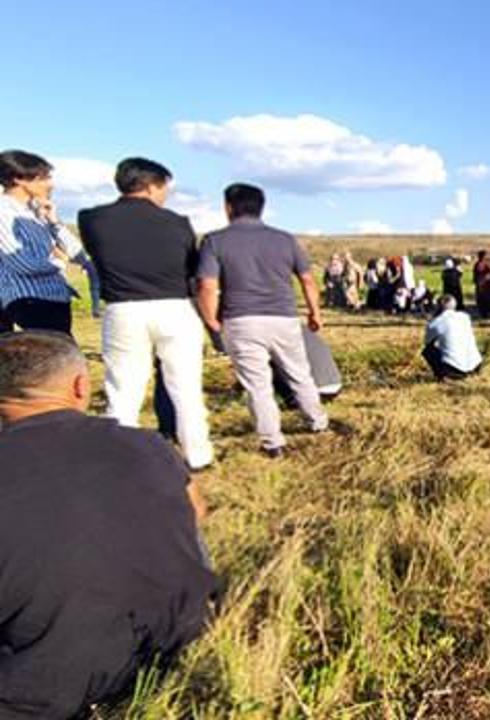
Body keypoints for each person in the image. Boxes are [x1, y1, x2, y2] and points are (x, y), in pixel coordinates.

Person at [0, 332, 216, 718]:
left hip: (35, 690)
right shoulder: (148, 445)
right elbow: (195, 512)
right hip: (176, 650)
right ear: (81, 387)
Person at [77, 157, 214, 471]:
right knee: (186, 388)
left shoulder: (91, 218)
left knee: (123, 389)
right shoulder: (178, 222)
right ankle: (198, 455)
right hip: (174, 307)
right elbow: (191, 269)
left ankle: (118, 456)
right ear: (152, 185)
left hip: (123, 309)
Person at [195, 183, 328, 458]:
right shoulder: (285, 239)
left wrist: (211, 321)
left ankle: (273, 443)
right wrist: (315, 312)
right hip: (283, 317)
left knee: (257, 384)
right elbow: (307, 279)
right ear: (261, 207)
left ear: (228, 207)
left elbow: (207, 286)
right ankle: (318, 423)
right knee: (299, 374)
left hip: (241, 318)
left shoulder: (214, 241)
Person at [0, 150, 99, 333]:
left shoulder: (36, 210)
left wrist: (54, 222)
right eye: (43, 178)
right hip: (29, 299)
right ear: (19, 179)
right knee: (54, 358)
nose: (50, 184)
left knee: (62, 356)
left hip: (56, 297)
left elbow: (76, 252)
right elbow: (24, 265)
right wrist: (60, 262)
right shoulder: (4, 212)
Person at [422, 295, 482, 380]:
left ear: (438, 307)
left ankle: (442, 375)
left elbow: (427, 342)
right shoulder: (465, 317)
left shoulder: (435, 323)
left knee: (428, 350)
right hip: (475, 365)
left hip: (454, 368)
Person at [473, 251, 490, 318]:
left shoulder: (479, 263)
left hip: (484, 285)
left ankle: (485, 313)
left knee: (485, 300)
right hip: (483, 285)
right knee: (484, 300)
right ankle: (485, 314)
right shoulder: (481, 264)